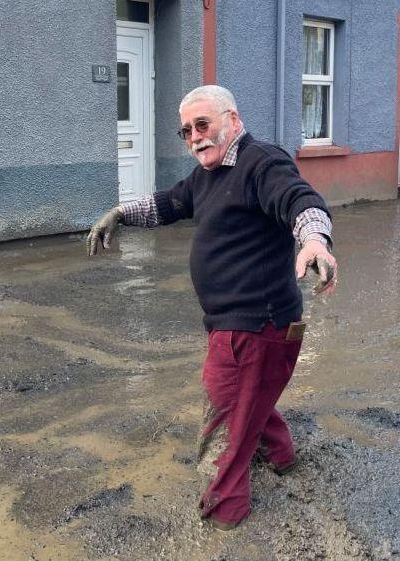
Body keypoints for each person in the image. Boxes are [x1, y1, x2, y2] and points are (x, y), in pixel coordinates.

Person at [86, 85, 337, 530]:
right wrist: (120, 213)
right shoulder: (206, 176)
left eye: (203, 125)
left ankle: (224, 509)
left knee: (225, 416)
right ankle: (280, 456)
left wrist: (315, 241)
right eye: (186, 131)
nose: (195, 137)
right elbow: (169, 204)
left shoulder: (262, 162)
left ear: (232, 120)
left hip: (257, 325)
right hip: (240, 325)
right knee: (250, 397)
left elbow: (300, 200)